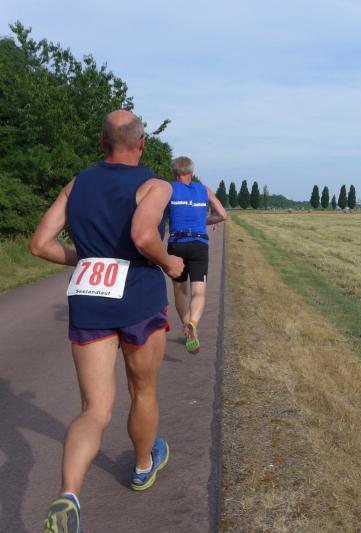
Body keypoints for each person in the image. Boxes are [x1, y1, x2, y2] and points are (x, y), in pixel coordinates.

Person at [30, 110, 184, 533]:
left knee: (94, 409)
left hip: (89, 301)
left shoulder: (77, 184)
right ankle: (142, 465)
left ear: (102, 142)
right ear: (142, 143)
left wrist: (87, 258)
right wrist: (169, 262)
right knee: (142, 390)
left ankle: (69, 495)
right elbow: (143, 236)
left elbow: (40, 244)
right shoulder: (156, 185)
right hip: (138, 299)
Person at [166, 156, 227, 353]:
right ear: (192, 173)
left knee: (180, 290)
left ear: (174, 173)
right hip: (199, 243)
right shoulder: (204, 190)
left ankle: (186, 327)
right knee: (198, 292)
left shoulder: (169, 189)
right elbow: (222, 215)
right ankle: (193, 324)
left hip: (177, 243)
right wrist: (204, 221)